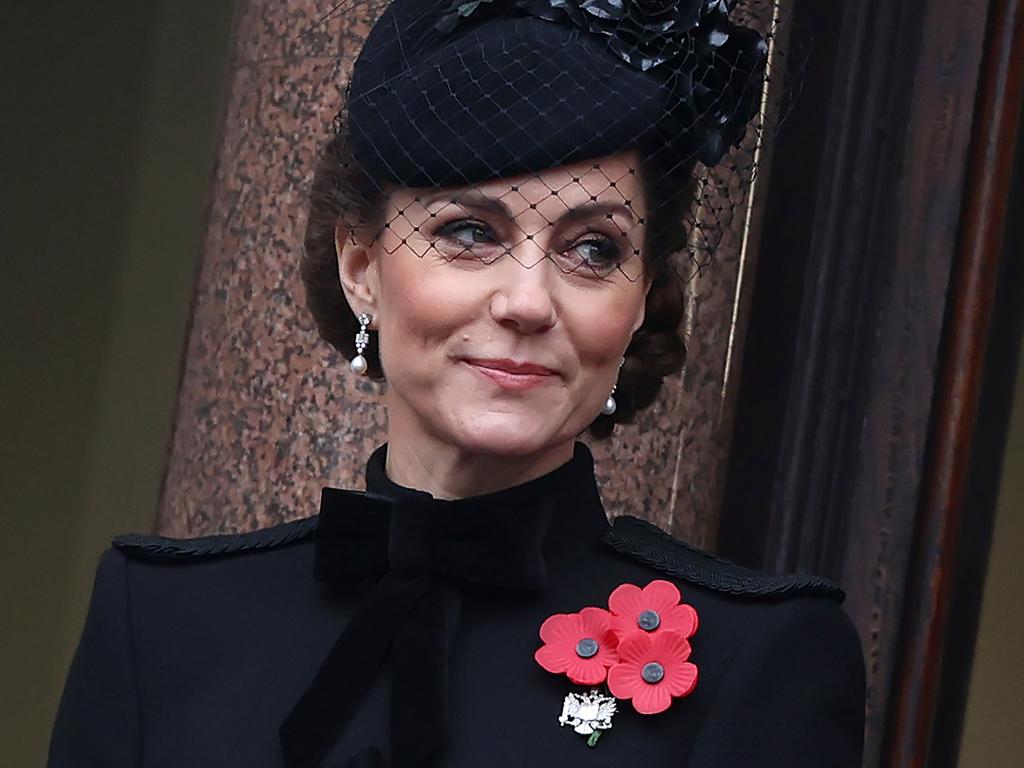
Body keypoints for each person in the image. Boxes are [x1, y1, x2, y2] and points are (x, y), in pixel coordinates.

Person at [48, 1, 866, 766]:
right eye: (469, 233)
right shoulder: (160, 622)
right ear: (360, 267)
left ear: (641, 300)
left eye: (593, 251)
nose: (526, 302)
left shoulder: (756, 656)